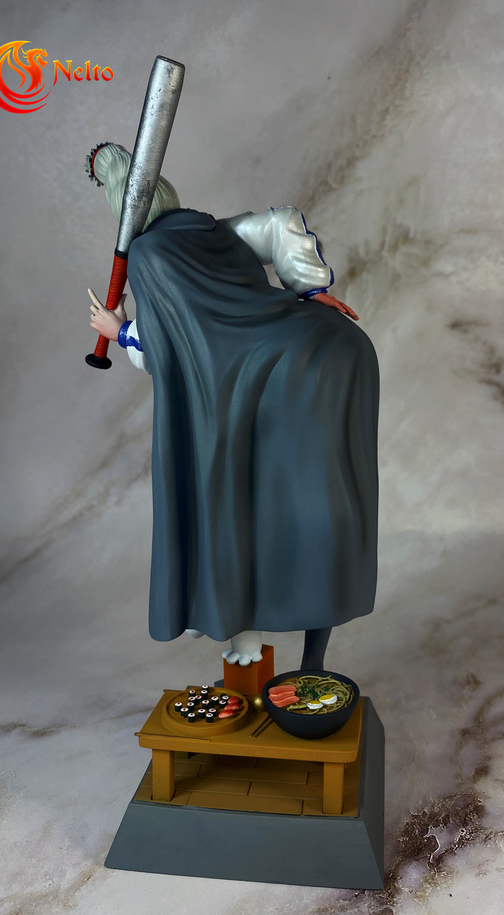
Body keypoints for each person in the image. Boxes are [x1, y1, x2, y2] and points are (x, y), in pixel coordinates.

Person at [87, 143, 378, 669]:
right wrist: (309, 288)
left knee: (235, 503)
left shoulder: (149, 254)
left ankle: (248, 635)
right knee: (322, 499)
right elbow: (281, 222)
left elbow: (164, 352)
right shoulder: (217, 230)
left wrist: (120, 329)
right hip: (333, 346)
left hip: (259, 378)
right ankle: (310, 662)